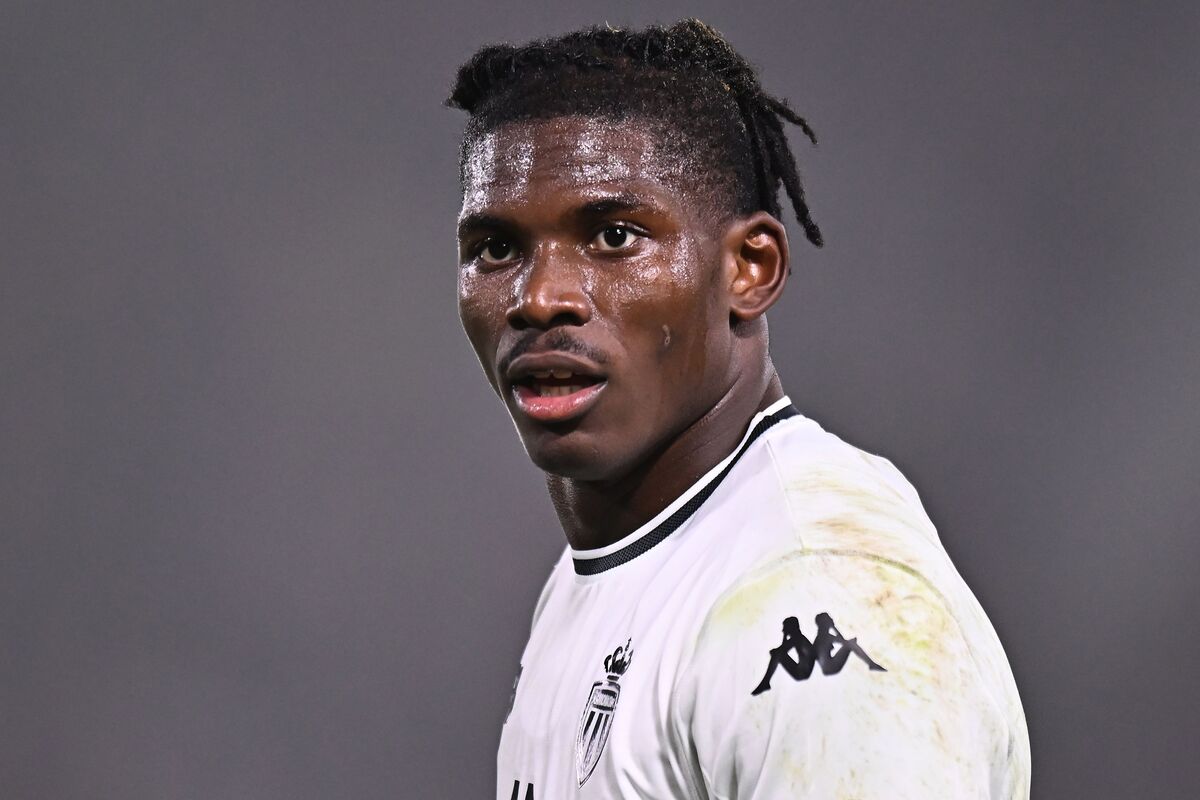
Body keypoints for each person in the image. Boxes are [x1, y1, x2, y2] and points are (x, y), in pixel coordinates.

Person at [448, 19, 1030, 799]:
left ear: (750, 268)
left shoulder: (815, 591)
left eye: (614, 236)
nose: (539, 297)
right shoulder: (617, 569)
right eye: (495, 249)